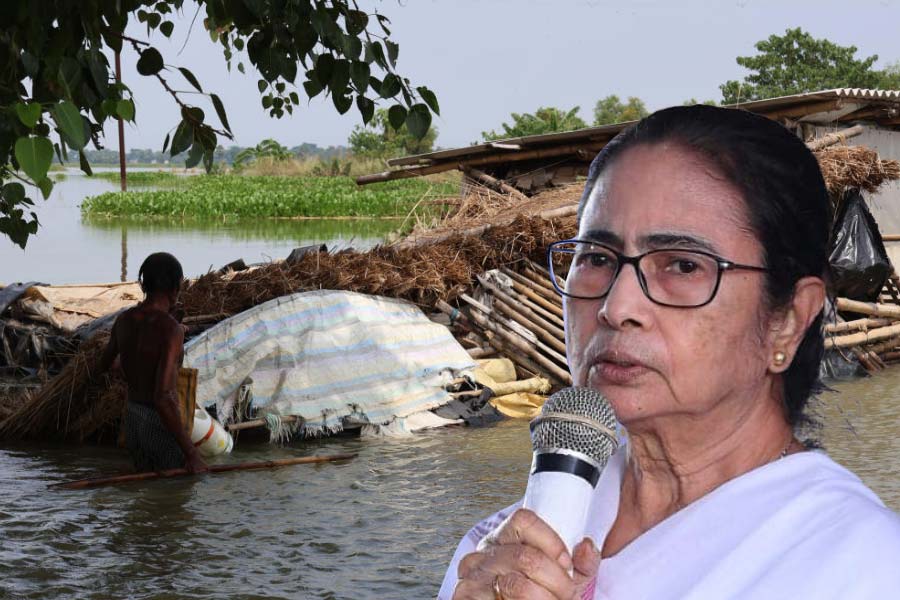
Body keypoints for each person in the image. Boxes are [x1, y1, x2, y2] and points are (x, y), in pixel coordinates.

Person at [440, 105, 900, 599]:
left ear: (787, 321)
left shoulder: (859, 564)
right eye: (596, 257)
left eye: (682, 266)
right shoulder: (497, 557)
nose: (617, 307)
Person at [100, 252, 207, 474]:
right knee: (175, 497)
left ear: (144, 284)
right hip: (159, 422)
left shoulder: (124, 320)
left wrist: (130, 364)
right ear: (175, 287)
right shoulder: (171, 330)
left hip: (132, 420)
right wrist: (192, 454)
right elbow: (163, 397)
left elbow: (105, 365)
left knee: (146, 492)